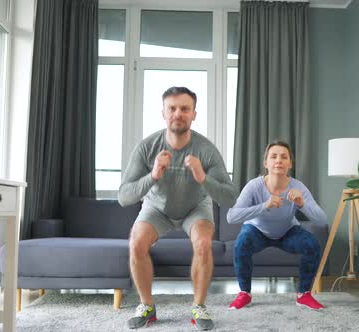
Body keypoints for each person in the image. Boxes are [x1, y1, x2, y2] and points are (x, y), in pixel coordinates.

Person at [118, 86, 238, 330]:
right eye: (172, 108)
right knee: (136, 242)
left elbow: (230, 196)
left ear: (194, 114)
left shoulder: (206, 150)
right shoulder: (146, 147)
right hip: (157, 208)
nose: (178, 113)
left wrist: (203, 177)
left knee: (203, 243)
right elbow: (124, 196)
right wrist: (152, 175)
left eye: (185, 108)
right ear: (163, 113)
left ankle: (198, 307)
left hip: (195, 208)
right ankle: (147, 306)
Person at [226, 140, 328, 310]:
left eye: (284, 157)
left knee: (312, 244)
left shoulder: (298, 186)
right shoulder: (254, 186)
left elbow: (322, 220)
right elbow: (231, 216)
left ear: (290, 164)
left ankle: (304, 295)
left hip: (287, 231)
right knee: (241, 243)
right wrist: (264, 206)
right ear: (266, 163)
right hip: (256, 231)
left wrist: (302, 203)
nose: (278, 160)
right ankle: (244, 293)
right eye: (273, 156)